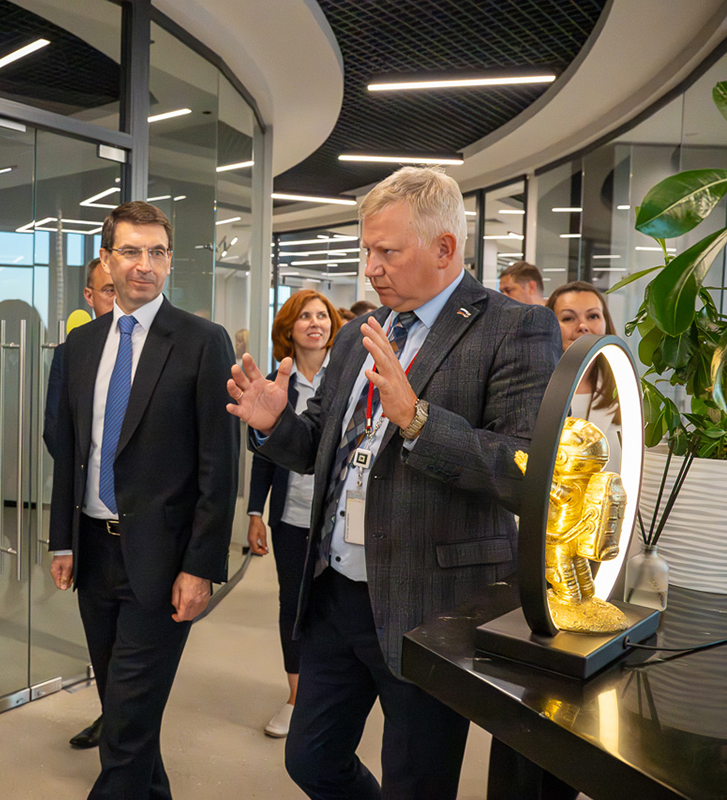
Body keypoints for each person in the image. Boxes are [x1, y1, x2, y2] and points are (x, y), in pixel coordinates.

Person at [227, 166, 561, 799]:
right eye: (366, 251)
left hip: (431, 602)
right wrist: (275, 425)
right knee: (311, 759)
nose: (370, 269)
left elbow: (523, 470)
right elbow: (320, 445)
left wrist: (417, 420)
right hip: (335, 593)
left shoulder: (514, 328)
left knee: (417, 781)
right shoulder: (363, 333)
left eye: (387, 252)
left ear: (444, 248)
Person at [49, 200, 238, 798]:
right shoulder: (80, 346)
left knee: (127, 725)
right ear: (107, 260)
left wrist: (201, 566)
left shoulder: (202, 342)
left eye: (157, 252)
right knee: (123, 706)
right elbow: (69, 452)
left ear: (169, 261)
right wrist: (61, 540)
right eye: (131, 251)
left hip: (163, 559)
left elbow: (219, 466)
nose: (145, 264)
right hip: (94, 552)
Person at [246, 289, 342, 738]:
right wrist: (255, 511)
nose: (315, 323)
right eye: (305, 316)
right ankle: (296, 696)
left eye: (322, 315)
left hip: (338, 520)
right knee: (293, 604)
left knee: (336, 607)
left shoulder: (348, 377)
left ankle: (331, 694)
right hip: (291, 517)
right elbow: (265, 456)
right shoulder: (274, 383)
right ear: (289, 328)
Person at [42, 258, 116, 750]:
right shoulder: (73, 352)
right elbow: (58, 438)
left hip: (146, 528)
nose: (117, 297)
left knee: (136, 658)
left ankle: (122, 736)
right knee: (103, 645)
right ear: (88, 297)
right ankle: (115, 720)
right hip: (91, 527)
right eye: (107, 290)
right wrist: (62, 541)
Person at [547, 281, 621, 471]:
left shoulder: (625, 388)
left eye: (593, 316)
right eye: (568, 318)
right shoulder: (537, 389)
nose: (582, 326)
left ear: (606, 323)